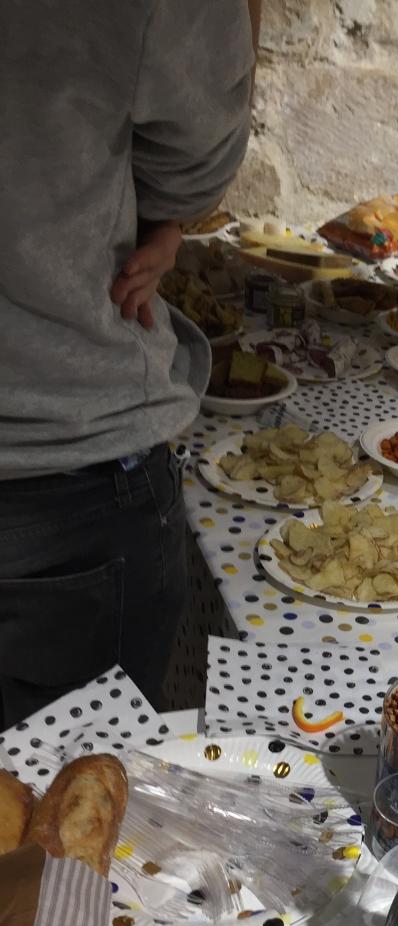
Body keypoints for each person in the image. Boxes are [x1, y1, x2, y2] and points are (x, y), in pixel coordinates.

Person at [0, 0, 257, 731]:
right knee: (77, 792)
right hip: (66, 446)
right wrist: (163, 220)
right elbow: (198, 162)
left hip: (60, 465)